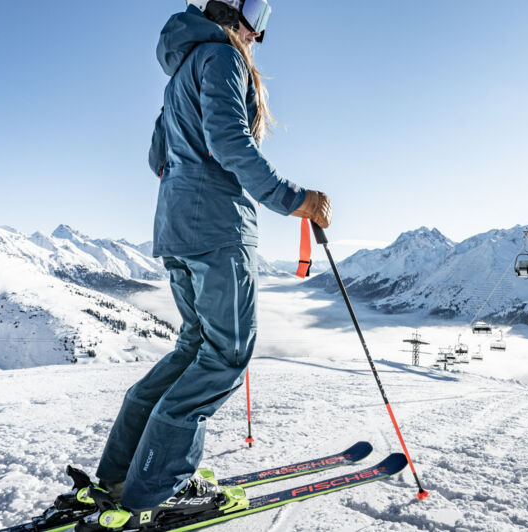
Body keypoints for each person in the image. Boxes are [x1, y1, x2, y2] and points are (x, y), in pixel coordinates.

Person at [80, 0, 331, 527]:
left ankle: (121, 473)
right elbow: (229, 141)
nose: (258, 33)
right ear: (227, 9)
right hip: (217, 230)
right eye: (256, 15)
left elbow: (157, 159)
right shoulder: (223, 56)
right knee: (224, 355)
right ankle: (157, 488)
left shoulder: (180, 72)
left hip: (175, 230)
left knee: (195, 347)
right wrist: (295, 200)